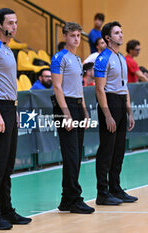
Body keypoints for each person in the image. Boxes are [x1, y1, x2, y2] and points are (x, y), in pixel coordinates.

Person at [0, 8, 31, 230]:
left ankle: (6, 210)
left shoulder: (8, 50)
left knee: (8, 164)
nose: (14, 26)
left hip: (10, 108)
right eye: (10, 23)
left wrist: (14, 109)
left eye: (16, 22)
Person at [50, 22, 95, 214]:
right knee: (71, 156)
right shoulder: (59, 58)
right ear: (65, 36)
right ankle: (75, 198)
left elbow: (80, 87)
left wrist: (84, 111)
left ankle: (66, 199)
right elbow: (57, 87)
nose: (76, 39)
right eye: (73, 35)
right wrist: (66, 114)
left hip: (76, 104)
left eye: (78, 35)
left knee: (75, 156)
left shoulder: (77, 60)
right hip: (64, 106)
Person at [94, 21, 138, 205]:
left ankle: (115, 188)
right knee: (107, 149)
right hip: (109, 103)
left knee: (119, 149)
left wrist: (129, 109)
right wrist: (107, 114)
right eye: (117, 32)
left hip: (120, 101)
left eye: (121, 31)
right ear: (108, 37)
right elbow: (99, 89)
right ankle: (102, 193)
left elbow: (124, 85)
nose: (121, 35)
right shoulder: (103, 58)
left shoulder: (120, 57)